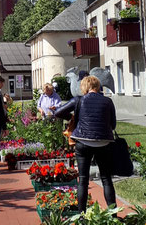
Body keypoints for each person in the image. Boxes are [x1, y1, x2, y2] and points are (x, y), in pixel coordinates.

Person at [55, 75, 116, 213]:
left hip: (82, 142)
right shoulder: (108, 101)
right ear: (98, 86)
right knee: (106, 179)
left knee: (83, 180)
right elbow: (113, 125)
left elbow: (58, 112)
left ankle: (81, 215)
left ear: (84, 87)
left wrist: (71, 117)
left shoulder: (78, 100)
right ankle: (113, 214)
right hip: (103, 143)